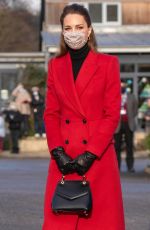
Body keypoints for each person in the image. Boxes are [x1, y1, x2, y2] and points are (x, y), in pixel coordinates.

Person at [43, 4, 125, 230]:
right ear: (62, 32)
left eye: (79, 27)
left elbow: (111, 115)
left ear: (89, 30)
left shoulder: (108, 64)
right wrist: (57, 151)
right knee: (61, 222)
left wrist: (90, 154)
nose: (74, 32)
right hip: (65, 161)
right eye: (68, 28)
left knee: (101, 223)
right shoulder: (55, 66)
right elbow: (51, 114)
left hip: (97, 158)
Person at [114, 81, 138, 172]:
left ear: (126, 87)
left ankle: (130, 166)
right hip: (117, 125)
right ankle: (117, 167)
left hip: (129, 124)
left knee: (129, 146)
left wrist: (130, 117)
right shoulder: (114, 96)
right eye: (120, 86)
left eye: (123, 86)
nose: (122, 88)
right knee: (116, 147)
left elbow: (135, 110)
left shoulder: (132, 97)